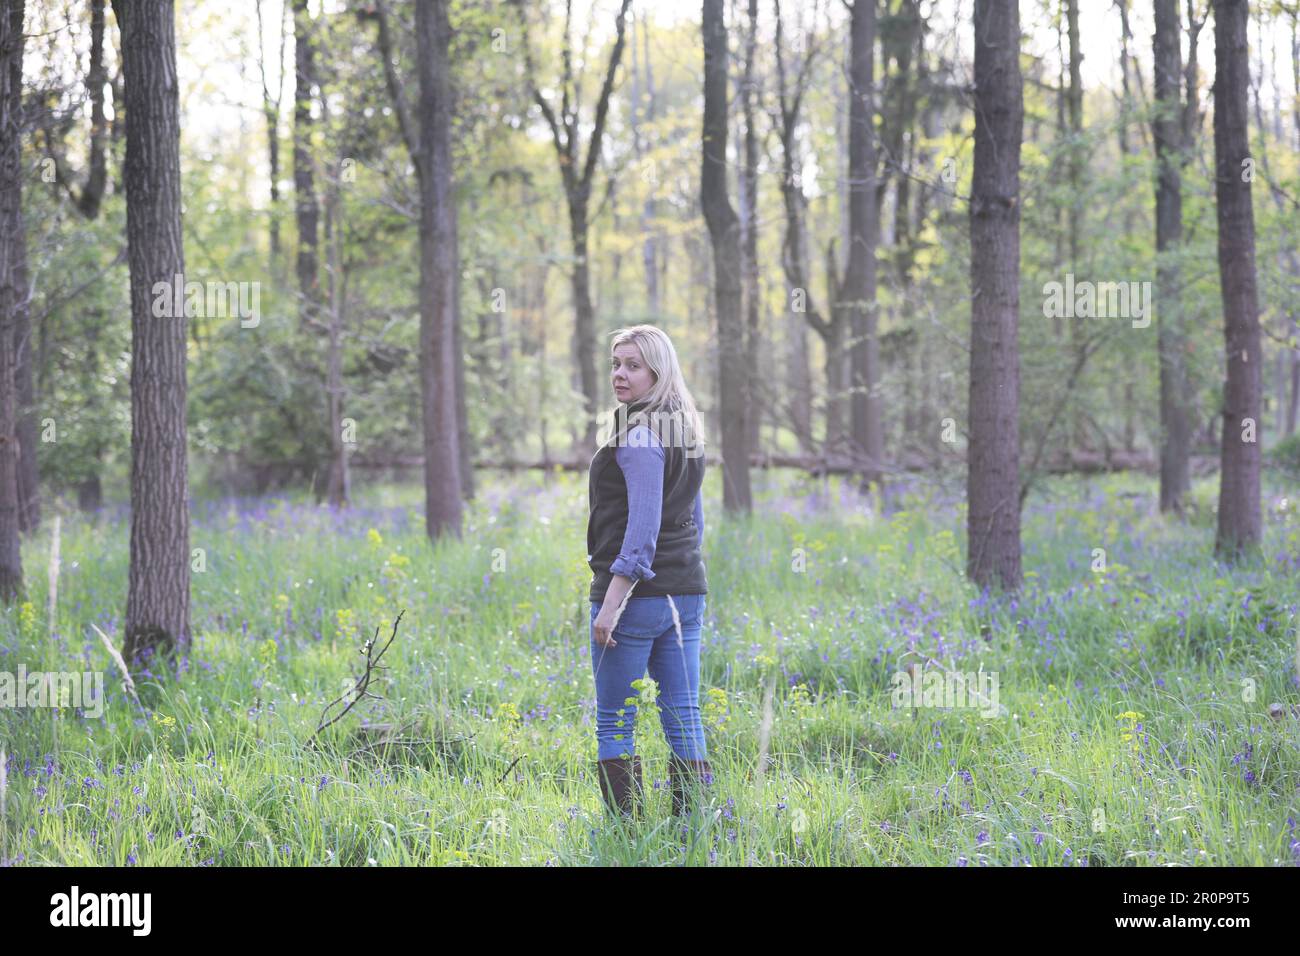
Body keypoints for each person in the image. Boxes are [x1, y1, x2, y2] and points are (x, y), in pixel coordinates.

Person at [586, 325, 710, 818]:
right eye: (616, 363)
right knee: (683, 713)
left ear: (658, 372)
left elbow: (641, 532)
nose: (620, 374)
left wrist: (611, 604)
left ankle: (627, 834)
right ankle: (692, 828)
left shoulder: (638, 434)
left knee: (615, 719)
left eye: (633, 366)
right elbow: (693, 520)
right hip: (685, 591)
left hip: (634, 600)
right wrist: (686, 570)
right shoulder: (685, 428)